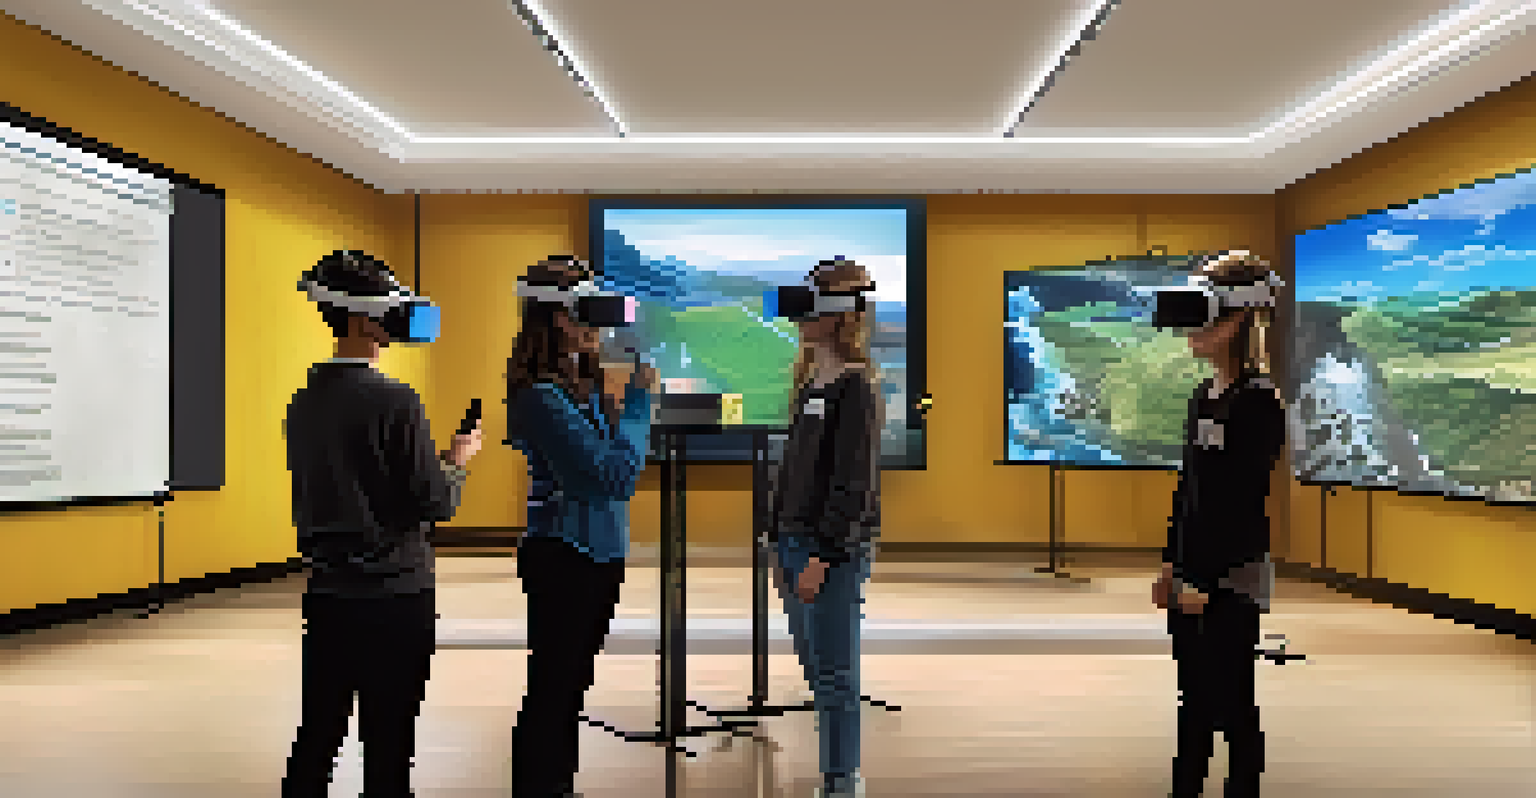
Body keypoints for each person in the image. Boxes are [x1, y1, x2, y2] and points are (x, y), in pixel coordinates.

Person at [282, 250, 484, 798]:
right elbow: (436, 503)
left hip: (327, 597)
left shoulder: (303, 402)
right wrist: (458, 461)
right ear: (359, 319)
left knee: (317, 736)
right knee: (389, 743)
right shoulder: (396, 400)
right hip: (396, 597)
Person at [504, 255, 657, 798]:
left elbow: (610, 467)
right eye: (587, 315)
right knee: (554, 688)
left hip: (599, 554)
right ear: (558, 319)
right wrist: (639, 405)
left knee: (570, 687)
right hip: (564, 556)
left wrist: (621, 408)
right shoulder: (540, 397)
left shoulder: (578, 387)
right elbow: (613, 476)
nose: (599, 328)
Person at [1153, 251, 1287, 798]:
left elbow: (1240, 504)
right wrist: (1171, 564)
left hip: (1230, 579)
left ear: (1236, 320)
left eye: (1203, 316)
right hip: (1192, 576)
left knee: (1232, 701)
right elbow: (1191, 490)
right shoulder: (1203, 397)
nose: (1191, 332)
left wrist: (1205, 583)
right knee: (1193, 700)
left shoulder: (1258, 403)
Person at [769, 257, 884, 798]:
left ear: (838, 314)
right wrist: (777, 542)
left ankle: (842, 782)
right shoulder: (812, 379)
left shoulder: (856, 387)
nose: (797, 315)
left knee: (836, 678)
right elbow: (796, 472)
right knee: (818, 673)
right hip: (791, 545)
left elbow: (852, 484)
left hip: (826, 554)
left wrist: (824, 556)